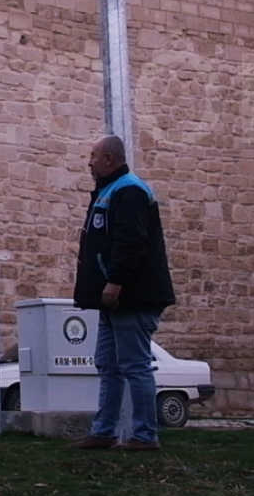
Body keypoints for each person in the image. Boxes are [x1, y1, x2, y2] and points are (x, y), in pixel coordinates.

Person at [71, 135, 176, 451]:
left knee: (134, 365)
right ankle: (103, 431)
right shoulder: (109, 191)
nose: (88, 162)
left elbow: (130, 243)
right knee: (108, 364)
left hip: (130, 296)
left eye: (93, 156)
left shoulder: (128, 190)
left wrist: (115, 283)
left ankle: (145, 436)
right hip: (113, 299)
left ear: (109, 160)